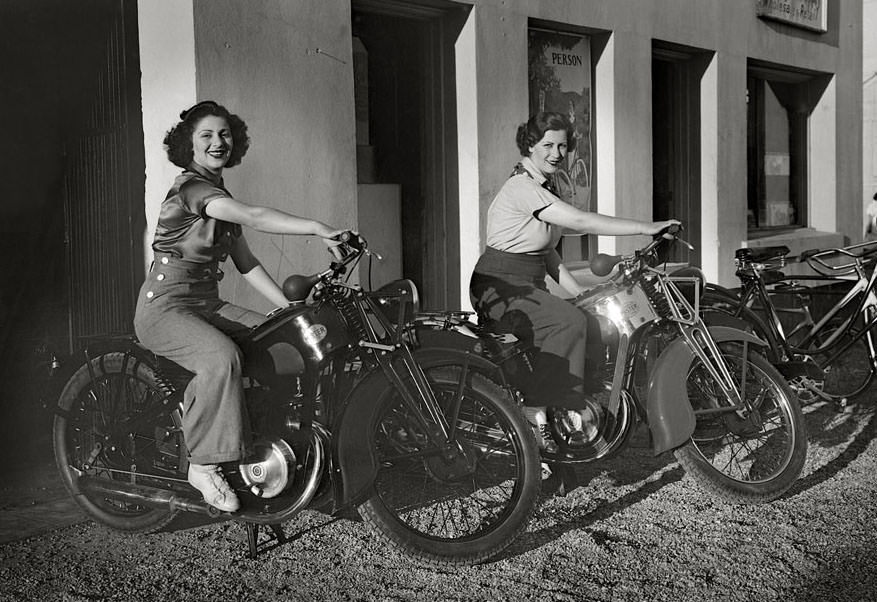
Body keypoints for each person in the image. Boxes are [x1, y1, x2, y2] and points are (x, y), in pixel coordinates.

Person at [134, 101, 346, 512]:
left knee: (283, 340)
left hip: (206, 305)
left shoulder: (219, 196)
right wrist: (319, 227)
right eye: (207, 136)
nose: (218, 142)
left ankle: (267, 447)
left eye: (225, 134)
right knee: (222, 358)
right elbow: (254, 215)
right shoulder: (191, 189)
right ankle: (202, 464)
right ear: (189, 145)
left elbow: (246, 264)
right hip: (165, 308)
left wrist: (291, 309)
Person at [469, 112, 679, 453]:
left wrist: (579, 292)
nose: (556, 153)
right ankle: (538, 410)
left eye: (563, 146)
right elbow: (582, 220)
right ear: (530, 146)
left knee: (591, 316)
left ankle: (582, 416)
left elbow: (547, 253)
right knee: (568, 321)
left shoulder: (543, 186)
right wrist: (646, 226)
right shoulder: (522, 188)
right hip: (499, 285)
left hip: (525, 283)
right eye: (547, 145)